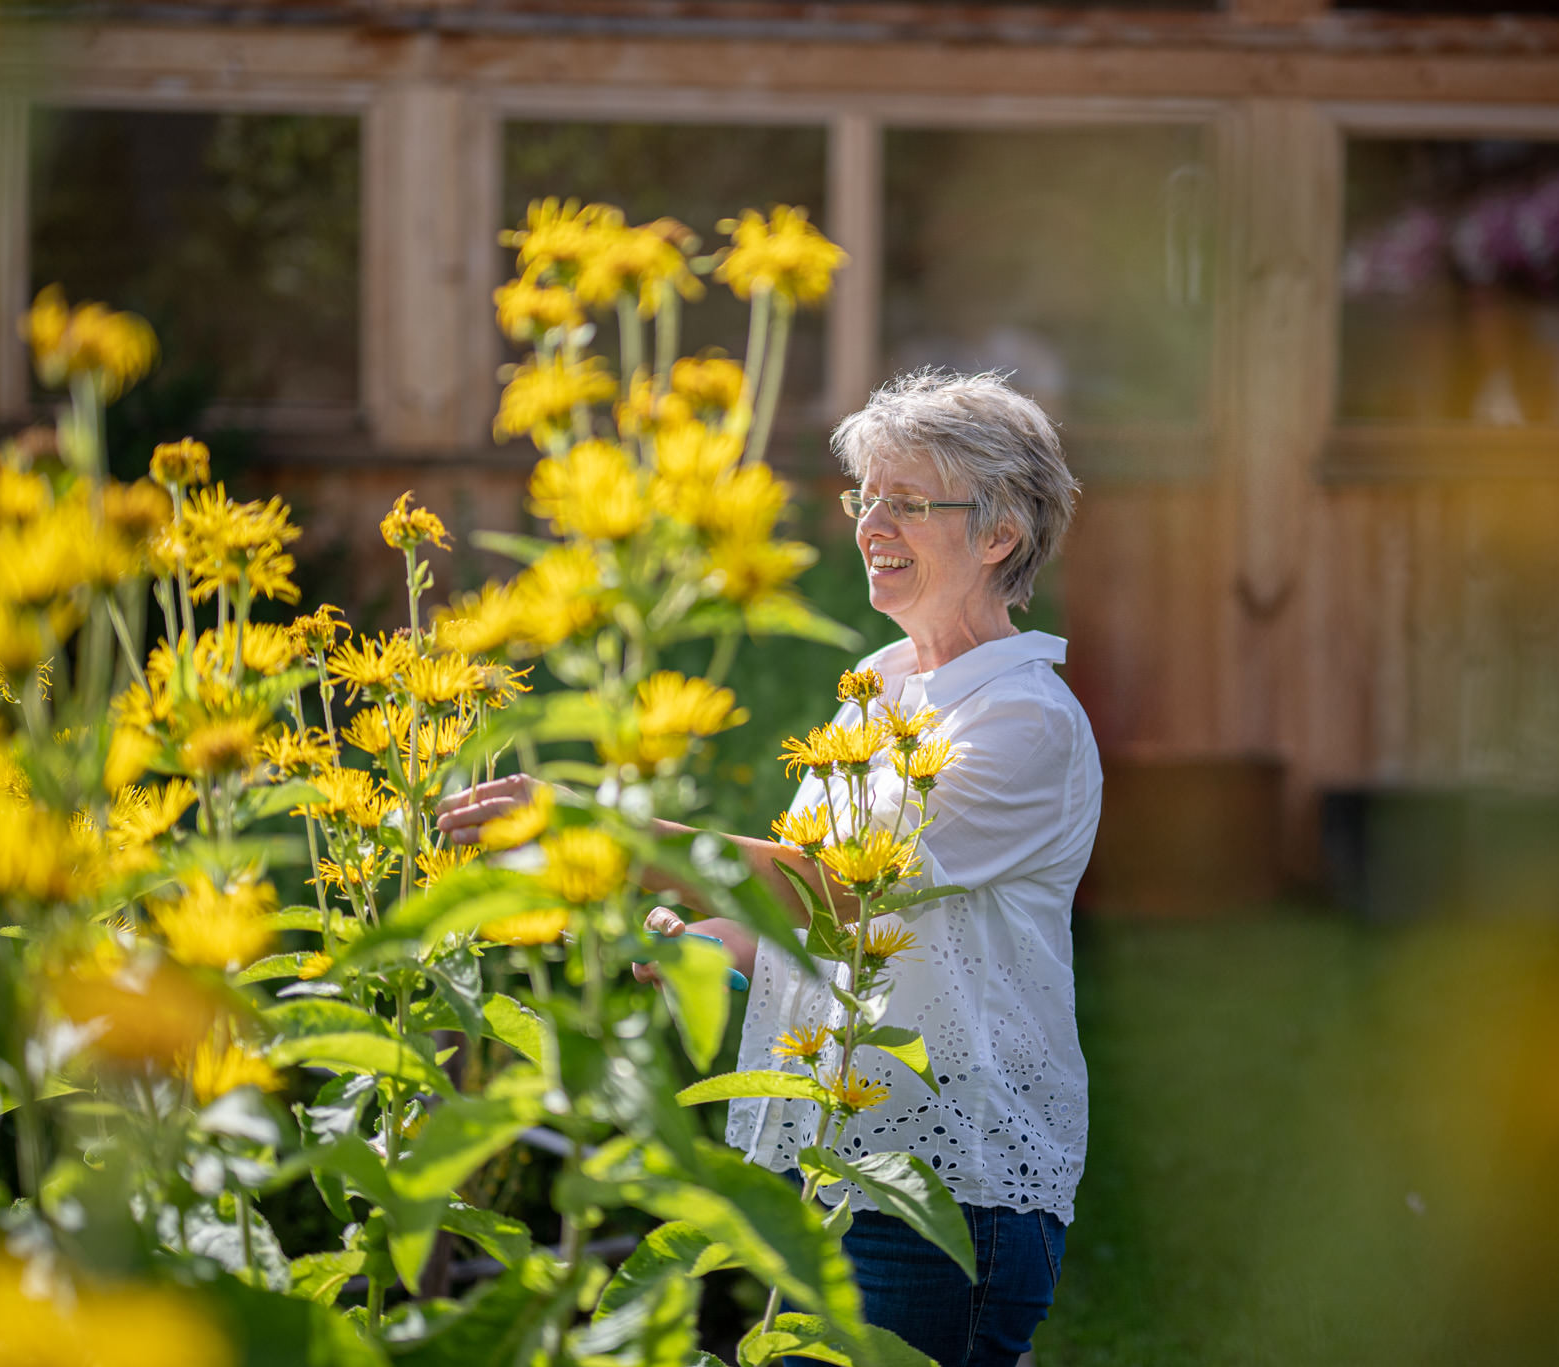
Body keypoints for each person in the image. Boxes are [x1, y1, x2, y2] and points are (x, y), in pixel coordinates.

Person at [437, 369, 1100, 1367]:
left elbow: (838, 884)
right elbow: (800, 916)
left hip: (942, 1179)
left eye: (906, 501)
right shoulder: (871, 699)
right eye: (864, 497)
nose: (871, 521)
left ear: (998, 533)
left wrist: (600, 829)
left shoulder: (1020, 719)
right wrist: (697, 950)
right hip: (830, 1159)